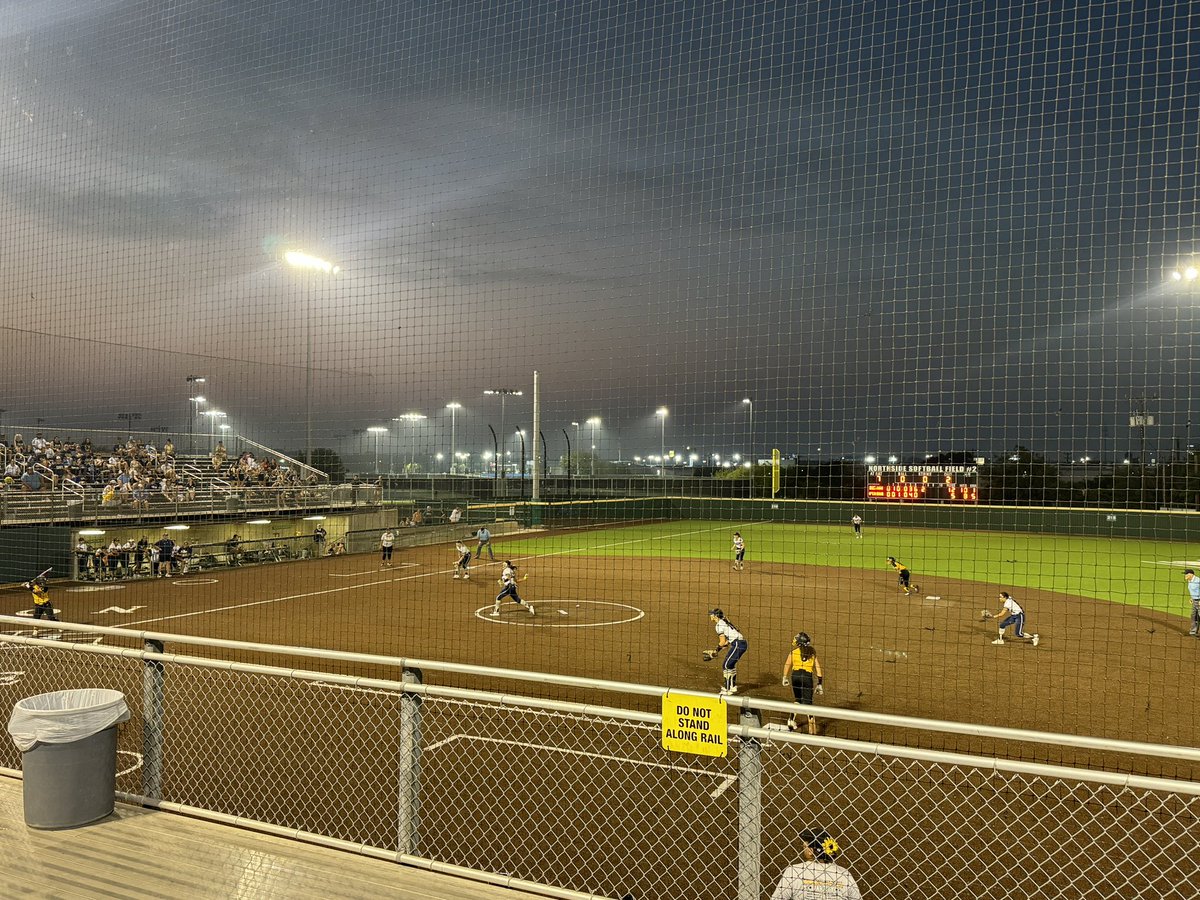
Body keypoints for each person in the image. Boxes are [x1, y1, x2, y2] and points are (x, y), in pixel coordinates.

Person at [770, 828, 862, 900]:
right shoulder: (844, 874)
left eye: (804, 847)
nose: (803, 850)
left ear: (811, 851)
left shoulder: (794, 872)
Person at [782, 632, 824, 734]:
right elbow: (818, 667)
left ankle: (791, 720)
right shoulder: (812, 652)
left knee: (798, 699)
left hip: (795, 676)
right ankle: (811, 729)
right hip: (807, 677)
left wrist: (784, 677)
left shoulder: (793, 652)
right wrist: (819, 683)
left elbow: (787, 664)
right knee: (808, 703)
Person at [705, 608, 747, 696]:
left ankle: (727, 689)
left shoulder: (719, 625)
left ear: (715, 616)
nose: (710, 616)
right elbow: (727, 640)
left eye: (711, 614)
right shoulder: (724, 622)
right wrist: (721, 648)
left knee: (726, 665)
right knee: (730, 665)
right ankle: (733, 687)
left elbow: (722, 642)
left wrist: (715, 651)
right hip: (741, 643)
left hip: (738, 644)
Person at [1185, 569, 1200, 637]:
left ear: (1191, 574)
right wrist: (1192, 598)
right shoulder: (1189, 581)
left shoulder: (1198, 581)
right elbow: (1194, 591)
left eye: (1186, 574)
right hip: (1194, 601)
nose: (1185, 575)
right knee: (1194, 616)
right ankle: (1193, 631)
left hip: (1199, 601)